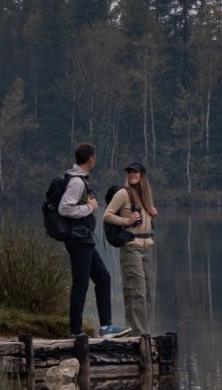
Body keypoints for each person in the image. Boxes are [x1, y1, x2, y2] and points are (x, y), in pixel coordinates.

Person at [60, 143, 129, 338]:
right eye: (94, 157)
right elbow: (64, 209)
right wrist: (89, 207)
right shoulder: (76, 182)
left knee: (103, 278)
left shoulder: (78, 179)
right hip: (77, 240)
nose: (94, 160)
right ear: (91, 158)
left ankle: (106, 327)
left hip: (85, 239)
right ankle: (75, 330)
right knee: (81, 283)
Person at [103, 162, 157, 336]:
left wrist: (151, 213)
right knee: (136, 292)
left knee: (147, 293)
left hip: (147, 246)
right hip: (131, 246)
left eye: (136, 172)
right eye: (130, 172)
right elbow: (107, 215)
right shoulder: (122, 193)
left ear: (142, 175)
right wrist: (127, 221)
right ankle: (138, 336)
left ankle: (143, 332)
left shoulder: (146, 195)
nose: (133, 175)